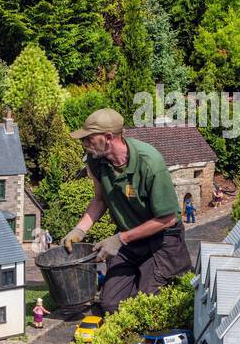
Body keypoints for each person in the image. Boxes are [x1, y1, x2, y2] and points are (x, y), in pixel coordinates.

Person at [60, 109, 192, 313]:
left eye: (89, 138)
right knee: (110, 305)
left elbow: (168, 219)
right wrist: (79, 229)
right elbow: (99, 199)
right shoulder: (96, 160)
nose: (85, 143)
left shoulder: (150, 163)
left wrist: (120, 239)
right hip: (130, 239)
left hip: (162, 239)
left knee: (147, 303)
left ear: (109, 137)